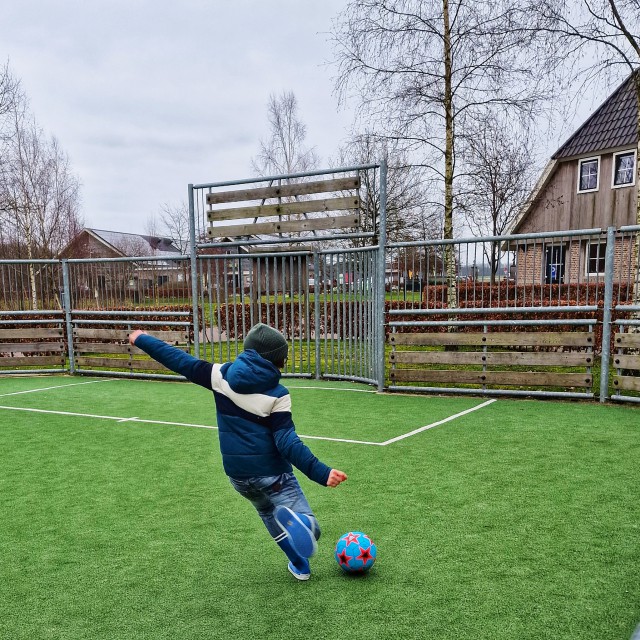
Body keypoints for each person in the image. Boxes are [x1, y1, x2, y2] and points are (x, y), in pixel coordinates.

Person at [128, 323, 347, 581]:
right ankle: (304, 523)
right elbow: (286, 441)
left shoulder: (219, 376)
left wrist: (142, 338)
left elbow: (178, 360)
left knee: (266, 512)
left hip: (238, 476)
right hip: (272, 475)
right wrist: (322, 473)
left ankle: (299, 565)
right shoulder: (278, 394)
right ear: (276, 361)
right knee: (311, 528)